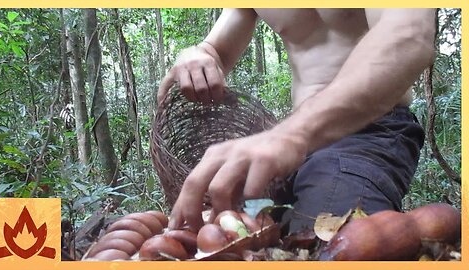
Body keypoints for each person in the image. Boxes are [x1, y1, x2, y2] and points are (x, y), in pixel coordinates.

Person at [157, 8, 436, 233]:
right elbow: (215, 50)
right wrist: (198, 55)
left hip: (369, 129)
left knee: (327, 241)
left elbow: (408, 34)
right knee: (239, 234)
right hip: (292, 147)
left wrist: (291, 134)